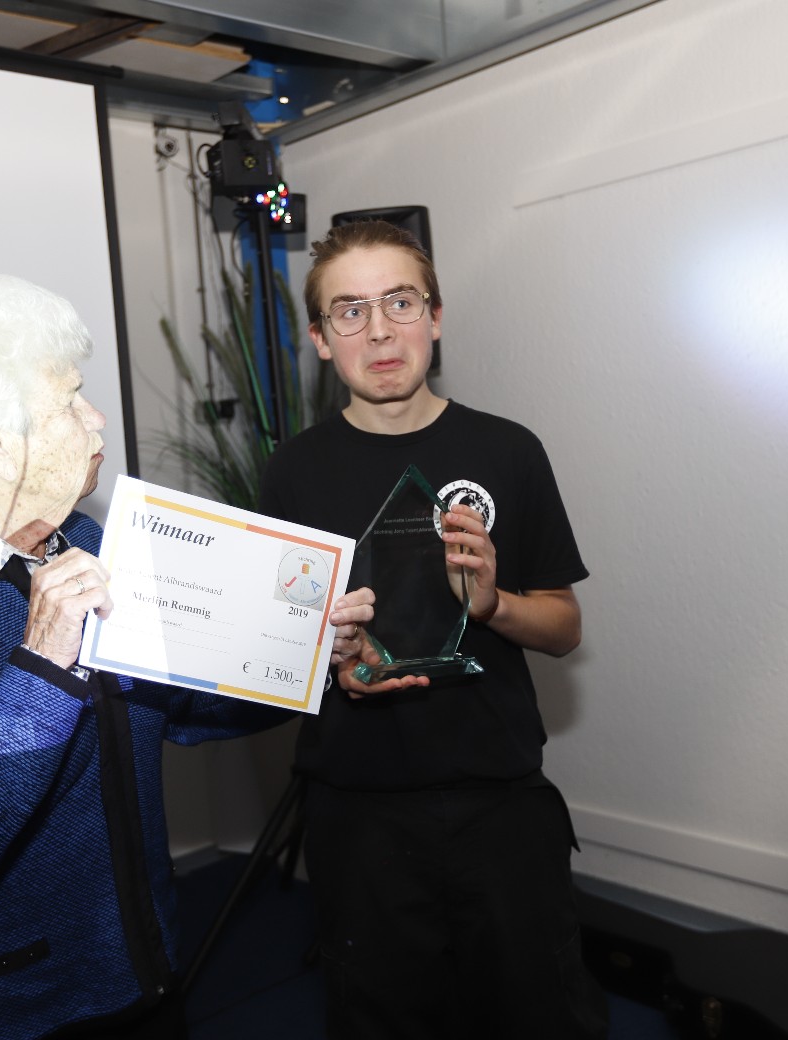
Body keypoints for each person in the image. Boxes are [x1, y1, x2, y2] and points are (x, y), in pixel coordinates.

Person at [0, 273, 282, 1039]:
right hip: (6, 1009)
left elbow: (175, 704)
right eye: (70, 401)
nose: (96, 418)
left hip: (136, 965)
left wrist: (304, 659)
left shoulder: (82, 539)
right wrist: (44, 666)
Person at [258, 221, 609, 1039]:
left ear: (437, 317)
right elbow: (277, 648)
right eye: (350, 311)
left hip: (500, 802)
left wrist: (491, 605)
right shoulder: (294, 473)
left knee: (540, 1016)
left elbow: (564, 627)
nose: (380, 331)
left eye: (401, 303)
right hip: (359, 812)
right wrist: (333, 662)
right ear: (320, 339)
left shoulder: (509, 450)